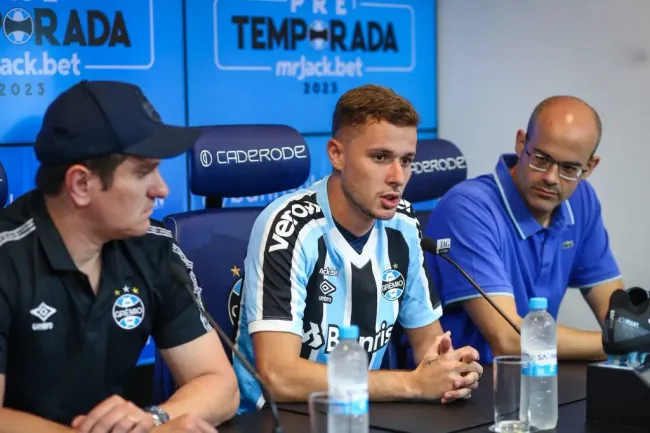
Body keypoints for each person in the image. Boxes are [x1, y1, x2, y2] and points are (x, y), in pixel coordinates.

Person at [0, 80, 239, 432]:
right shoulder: (7, 260)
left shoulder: (155, 248)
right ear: (81, 185)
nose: (162, 189)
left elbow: (221, 386)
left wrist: (155, 420)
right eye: (144, 172)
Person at [233, 84, 483, 414]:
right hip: (273, 420)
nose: (398, 177)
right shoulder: (289, 227)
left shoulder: (404, 224)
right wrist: (411, 384)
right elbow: (278, 376)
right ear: (337, 154)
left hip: (359, 412)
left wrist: (450, 369)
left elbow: (428, 343)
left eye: (407, 160)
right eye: (380, 158)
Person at [425, 95, 623, 364]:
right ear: (521, 143)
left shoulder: (581, 200)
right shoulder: (467, 207)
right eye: (541, 158)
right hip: (469, 388)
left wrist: (632, 332)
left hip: (537, 378)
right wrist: (620, 343)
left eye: (568, 168)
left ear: (589, 167)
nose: (551, 178)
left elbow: (616, 316)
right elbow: (508, 338)